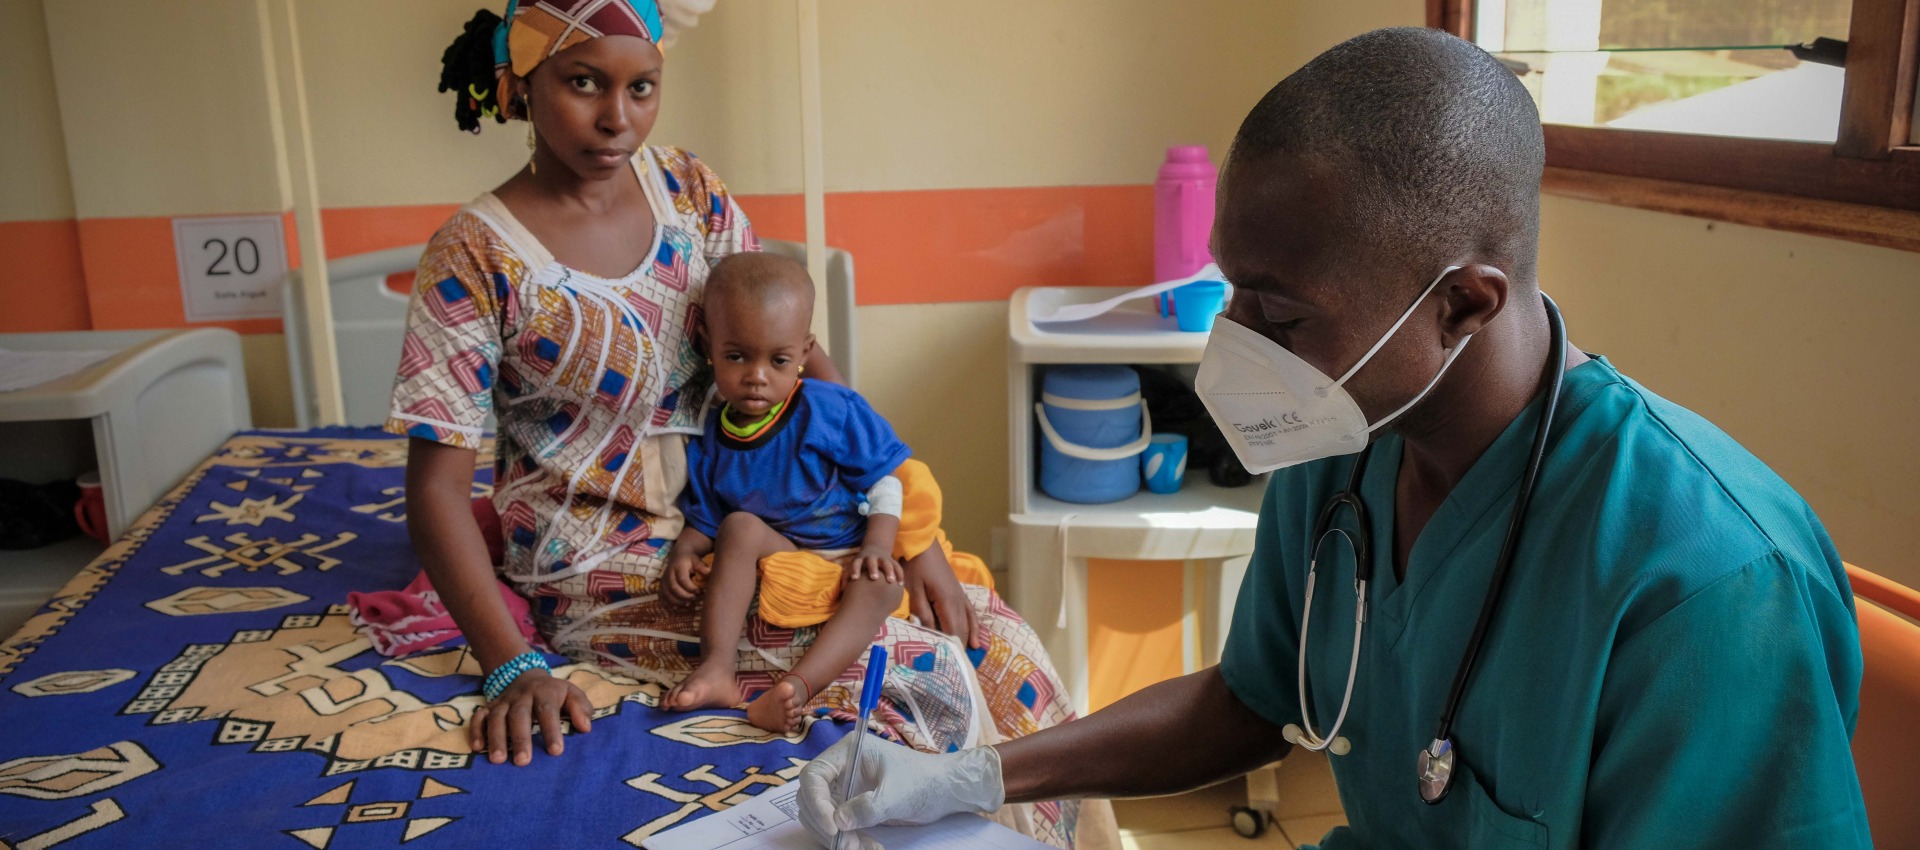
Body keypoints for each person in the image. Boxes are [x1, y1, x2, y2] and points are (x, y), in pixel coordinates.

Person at [798, 27, 1870, 850]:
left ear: (1462, 305)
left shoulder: (1708, 582)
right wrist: (983, 772)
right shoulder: (1353, 443)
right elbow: (1249, 701)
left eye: (1279, 311)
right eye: (1232, 291)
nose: (1234, 345)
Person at [396, 7, 1102, 845]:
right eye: (583, 82)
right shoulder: (474, 256)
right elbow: (436, 492)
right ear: (522, 80)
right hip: (601, 560)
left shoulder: (689, 193)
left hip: (768, 511)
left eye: (641, 87)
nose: (617, 117)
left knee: (997, 636)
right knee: (922, 671)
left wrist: (919, 538)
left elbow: (804, 369)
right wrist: (512, 662)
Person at [662, 253, 930, 734]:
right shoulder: (711, 437)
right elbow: (706, 516)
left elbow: (886, 480)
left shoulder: (830, 409)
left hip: (848, 551)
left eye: (778, 360)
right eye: (736, 356)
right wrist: (685, 550)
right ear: (708, 346)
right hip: (785, 551)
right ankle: (717, 667)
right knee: (737, 527)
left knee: (885, 586)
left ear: (805, 351)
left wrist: (877, 548)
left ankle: (794, 690)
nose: (757, 375)